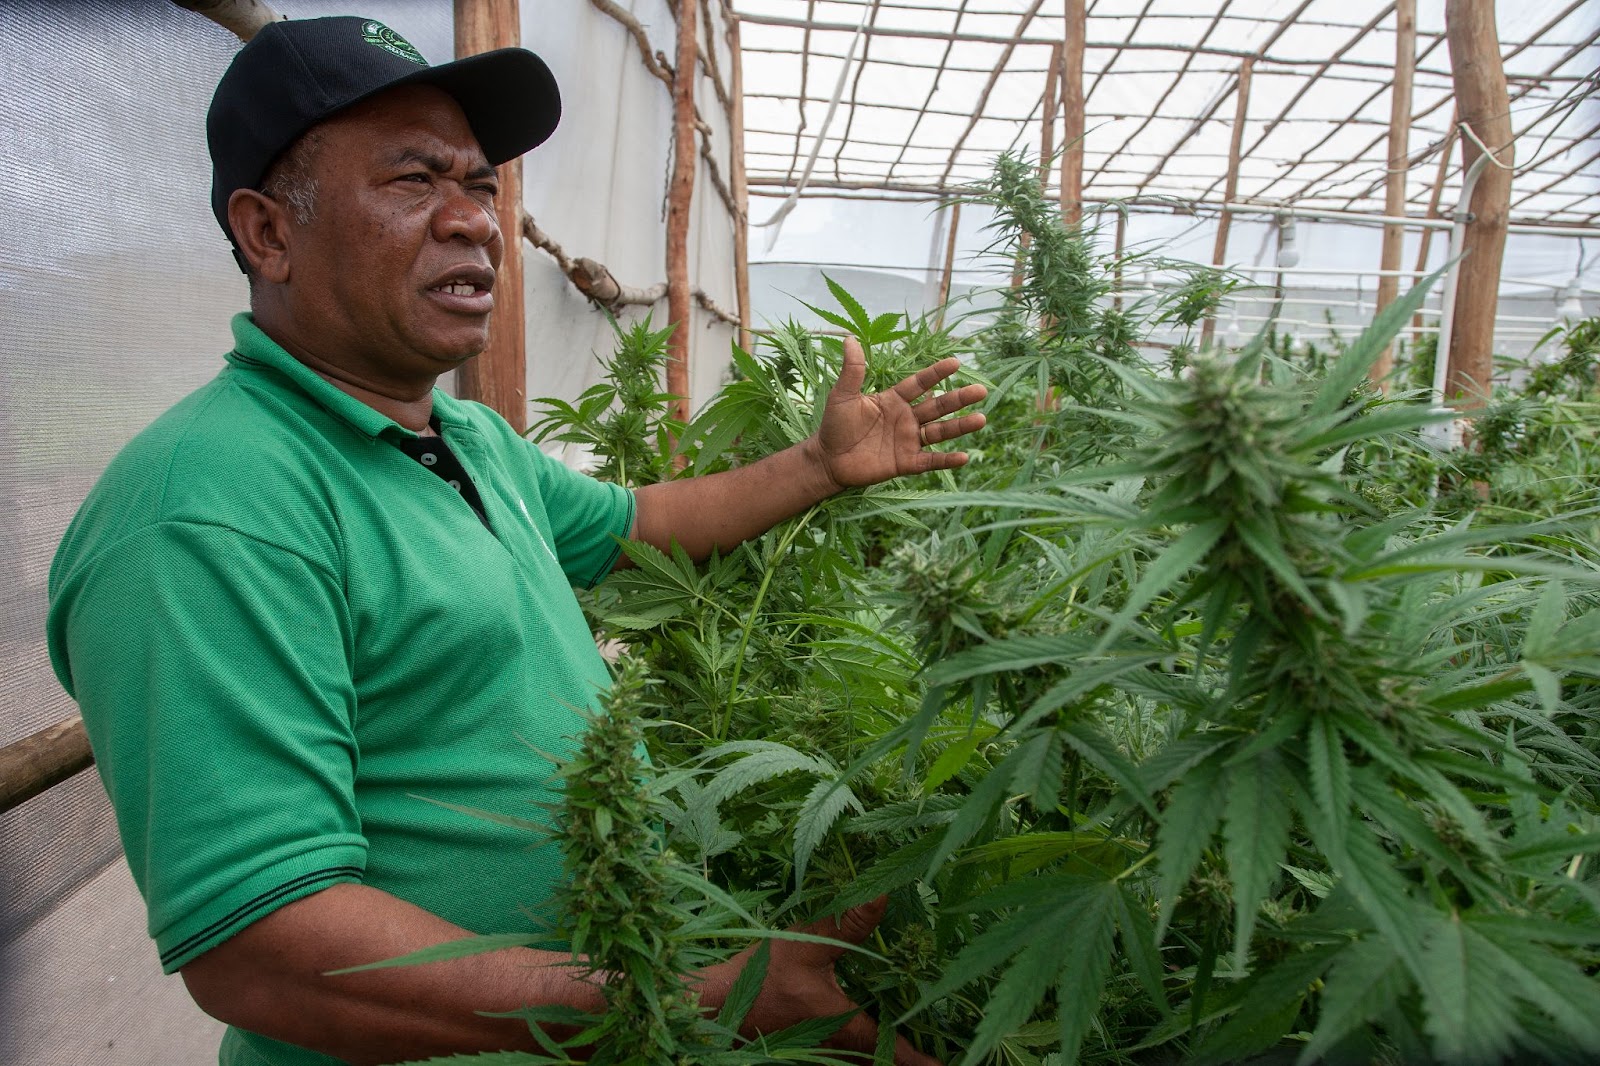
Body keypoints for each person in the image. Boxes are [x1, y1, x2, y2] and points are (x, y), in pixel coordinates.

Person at [46, 16, 985, 1066]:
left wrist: (816, 465)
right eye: (414, 181)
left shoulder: (469, 439)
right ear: (268, 234)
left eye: (480, 185)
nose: (475, 222)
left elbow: (639, 526)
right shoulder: (209, 506)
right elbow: (263, 947)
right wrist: (672, 996)